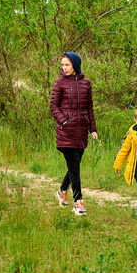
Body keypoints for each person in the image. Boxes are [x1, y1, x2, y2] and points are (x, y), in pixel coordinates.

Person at [50, 52, 98, 215]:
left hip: (82, 131)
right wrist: (64, 121)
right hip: (66, 132)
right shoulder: (59, 82)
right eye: (62, 65)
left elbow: (89, 108)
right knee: (75, 169)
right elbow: (54, 106)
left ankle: (62, 191)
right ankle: (78, 202)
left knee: (74, 167)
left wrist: (92, 128)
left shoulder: (86, 83)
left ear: (75, 65)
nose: (64, 68)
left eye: (67, 65)